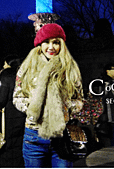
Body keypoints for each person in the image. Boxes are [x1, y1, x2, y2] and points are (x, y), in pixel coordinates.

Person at [13, 23, 84, 168]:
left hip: (61, 136)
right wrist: (32, 107)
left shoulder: (70, 69)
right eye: (46, 42)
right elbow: (17, 97)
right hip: (34, 136)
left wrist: (65, 107)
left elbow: (79, 99)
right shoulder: (27, 68)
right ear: (40, 44)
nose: (51, 47)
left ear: (61, 45)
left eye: (56, 42)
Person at [0, 55, 26, 168]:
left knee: (6, 143)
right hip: (22, 114)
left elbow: (1, 100)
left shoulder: (6, 75)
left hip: (9, 115)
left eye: (5, 63)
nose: (3, 66)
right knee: (18, 144)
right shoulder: (24, 74)